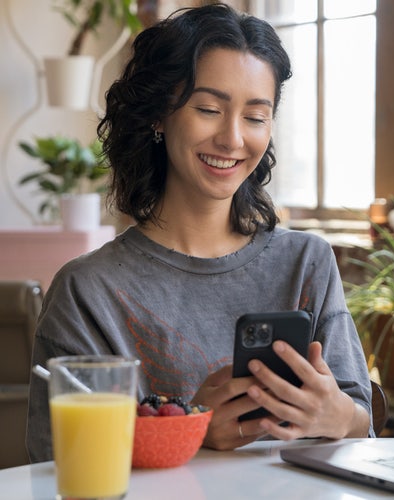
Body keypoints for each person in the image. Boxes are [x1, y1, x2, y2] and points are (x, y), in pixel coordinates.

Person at [26, 3, 372, 463]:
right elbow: (60, 462)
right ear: (158, 116)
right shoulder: (89, 290)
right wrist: (192, 428)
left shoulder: (306, 261)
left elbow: (360, 416)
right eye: (208, 108)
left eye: (255, 116)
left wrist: (340, 417)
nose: (232, 139)